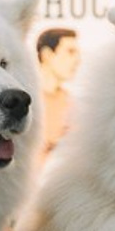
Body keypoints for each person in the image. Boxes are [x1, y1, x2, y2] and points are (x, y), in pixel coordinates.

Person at [35, 26, 81, 156]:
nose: (78, 60)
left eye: (78, 54)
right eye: (70, 52)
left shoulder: (72, 104)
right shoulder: (27, 100)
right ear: (47, 55)